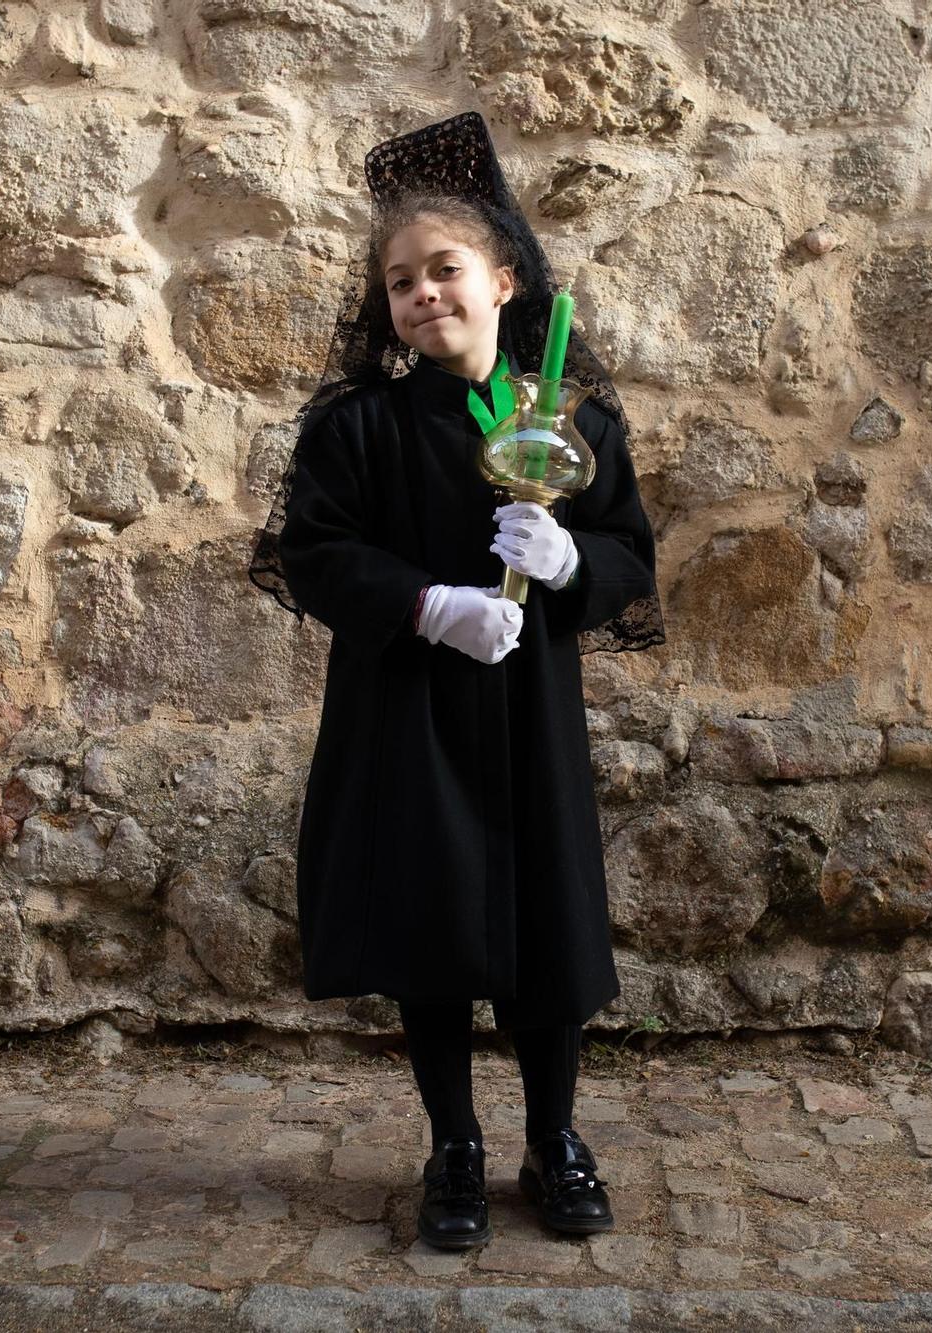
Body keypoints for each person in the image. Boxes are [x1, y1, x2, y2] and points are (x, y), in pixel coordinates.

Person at [247, 112, 665, 1252]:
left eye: (443, 270)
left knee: (544, 934)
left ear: (504, 278)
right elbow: (314, 552)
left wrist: (572, 561)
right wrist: (433, 605)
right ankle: (454, 1143)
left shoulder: (567, 422)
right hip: (407, 711)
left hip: (528, 713)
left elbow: (630, 550)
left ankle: (553, 1138)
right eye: (399, 282)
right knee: (428, 930)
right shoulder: (358, 427)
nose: (422, 294)